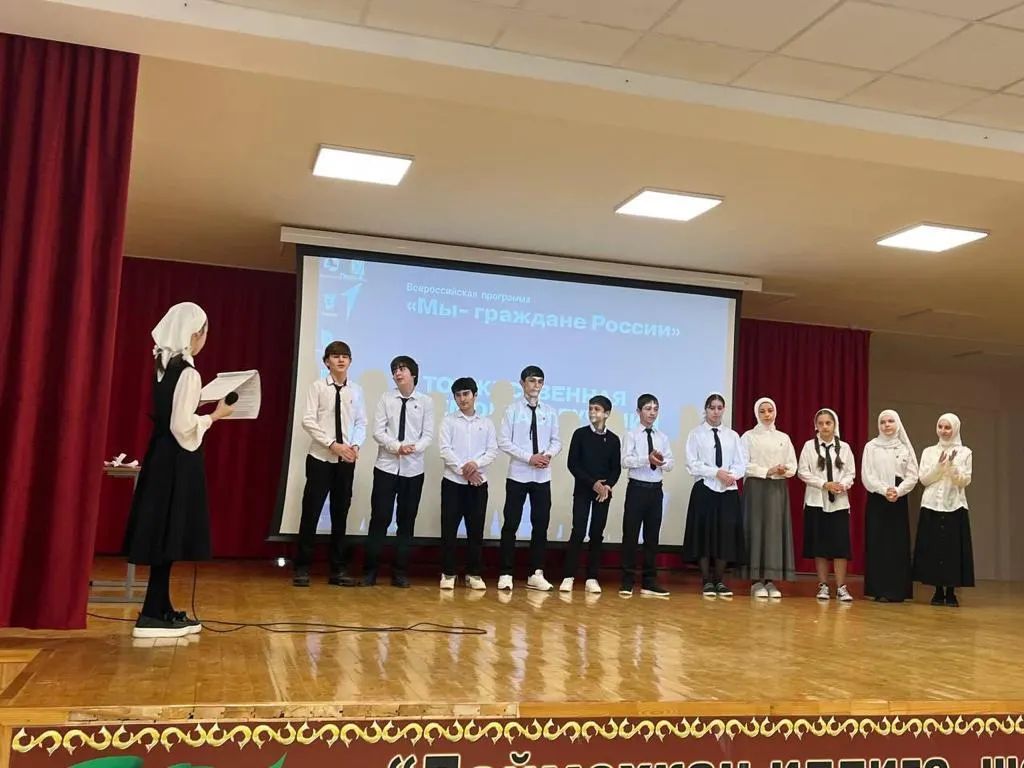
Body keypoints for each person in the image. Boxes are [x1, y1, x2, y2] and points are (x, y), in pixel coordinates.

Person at [123, 302, 234, 639]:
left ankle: (158, 607)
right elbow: (182, 426)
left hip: (160, 455)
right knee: (169, 533)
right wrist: (215, 416)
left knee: (163, 532)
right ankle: (153, 614)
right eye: (204, 333)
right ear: (195, 334)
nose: (205, 339)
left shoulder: (162, 365)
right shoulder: (188, 372)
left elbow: (173, 410)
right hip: (176, 459)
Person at [293, 341, 366, 588]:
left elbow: (361, 422)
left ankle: (338, 570)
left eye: (345, 356)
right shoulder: (317, 387)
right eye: (335, 356)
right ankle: (302, 568)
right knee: (311, 513)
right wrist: (332, 444)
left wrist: (355, 446)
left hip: (346, 460)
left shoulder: (356, 390)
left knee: (340, 514)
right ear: (326, 361)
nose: (341, 360)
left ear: (350, 361)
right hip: (320, 458)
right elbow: (308, 421)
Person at [362, 355, 434, 587]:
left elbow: (428, 435)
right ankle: (370, 571)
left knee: (406, 521)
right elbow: (378, 431)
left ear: (413, 373)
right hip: (386, 466)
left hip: (413, 470)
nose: (397, 373)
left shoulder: (426, 402)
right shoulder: (386, 398)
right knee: (380, 518)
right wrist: (396, 447)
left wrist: (413, 449)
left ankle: (400, 572)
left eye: (402, 369)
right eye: (394, 370)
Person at [497, 365, 562, 592]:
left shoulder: (550, 412)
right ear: (522, 383)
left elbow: (557, 441)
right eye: (532, 380)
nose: (536, 385)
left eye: (540, 381)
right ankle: (506, 573)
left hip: (542, 477)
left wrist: (547, 455)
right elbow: (503, 441)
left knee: (540, 525)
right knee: (511, 524)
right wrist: (529, 457)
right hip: (518, 475)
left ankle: (536, 573)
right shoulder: (512, 410)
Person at [683, 392, 747, 598]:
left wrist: (731, 476)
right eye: (712, 408)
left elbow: (741, 462)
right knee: (704, 534)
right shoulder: (696, 434)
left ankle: (719, 580)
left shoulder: (732, 436)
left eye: (719, 408)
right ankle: (706, 580)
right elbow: (692, 464)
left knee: (725, 535)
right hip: (705, 488)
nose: (716, 412)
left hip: (727, 491)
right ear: (706, 410)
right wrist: (715, 473)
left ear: (724, 410)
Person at [437, 377, 498, 591]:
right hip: (453, 483)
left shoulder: (486, 423)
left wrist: (475, 465)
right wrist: (464, 470)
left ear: (475, 395)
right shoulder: (448, 421)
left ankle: (474, 573)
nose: (463, 399)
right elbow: (445, 450)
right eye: (458, 395)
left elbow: (492, 451)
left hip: (478, 484)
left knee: (476, 530)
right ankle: (448, 573)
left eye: (466, 394)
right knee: (449, 530)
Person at [560, 395, 621, 594]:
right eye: (591, 408)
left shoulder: (613, 440)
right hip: (583, 489)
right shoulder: (580, 434)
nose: (592, 412)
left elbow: (616, 468)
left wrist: (607, 486)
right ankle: (568, 576)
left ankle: (592, 577)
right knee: (578, 531)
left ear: (607, 414)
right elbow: (573, 464)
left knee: (597, 533)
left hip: (603, 493)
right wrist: (593, 483)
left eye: (597, 409)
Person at [913, 413, 975, 607]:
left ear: (955, 429)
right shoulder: (929, 452)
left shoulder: (965, 452)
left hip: (954, 505)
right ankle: (938, 591)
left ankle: (951, 592)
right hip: (931, 505)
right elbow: (924, 479)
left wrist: (953, 468)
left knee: (952, 551)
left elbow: (965, 481)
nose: (943, 431)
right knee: (934, 549)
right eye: (940, 427)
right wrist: (939, 467)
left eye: (947, 427)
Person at [740, 397, 797, 599]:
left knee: (774, 532)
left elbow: (793, 464)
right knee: (756, 530)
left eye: (770, 410)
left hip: (777, 488)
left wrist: (783, 470)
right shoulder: (748, 437)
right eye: (762, 411)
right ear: (756, 413)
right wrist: (767, 470)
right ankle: (756, 581)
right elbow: (743, 464)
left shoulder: (783, 437)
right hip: (756, 487)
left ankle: (771, 580)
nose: (767, 415)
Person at [797, 408, 856, 602]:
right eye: (820, 423)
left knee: (840, 546)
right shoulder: (809, 446)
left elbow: (850, 473)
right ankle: (823, 585)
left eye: (828, 423)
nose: (824, 427)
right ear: (816, 426)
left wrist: (841, 485)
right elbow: (802, 472)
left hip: (839, 503)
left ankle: (841, 587)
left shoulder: (844, 448)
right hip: (816, 501)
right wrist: (824, 484)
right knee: (819, 546)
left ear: (834, 425)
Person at [862, 409, 918, 603]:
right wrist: (883, 490)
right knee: (877, 543)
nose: (886, 425)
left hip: (898, 498)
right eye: (883, 422)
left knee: (897, 544)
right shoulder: (871, 447)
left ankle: (897, 590)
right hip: (878, 498)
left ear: (897, 424)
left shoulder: (904, 448)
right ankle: (878, 590)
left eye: (890, 421)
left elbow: (912, 475)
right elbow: (867, 475)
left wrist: (899, 491)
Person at [619, 394, 672, 597]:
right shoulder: (631, 434)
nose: (652, 413)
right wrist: (646, 459)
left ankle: (649, 581)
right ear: (638, 411)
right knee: (631, 535)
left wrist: (662, 461)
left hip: (656, 490)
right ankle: (627, 580)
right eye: (648, 409)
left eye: (655, 409)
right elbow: (625, 461)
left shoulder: (662, 437)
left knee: (652, 537)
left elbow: (671, 463)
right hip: (637, 489)